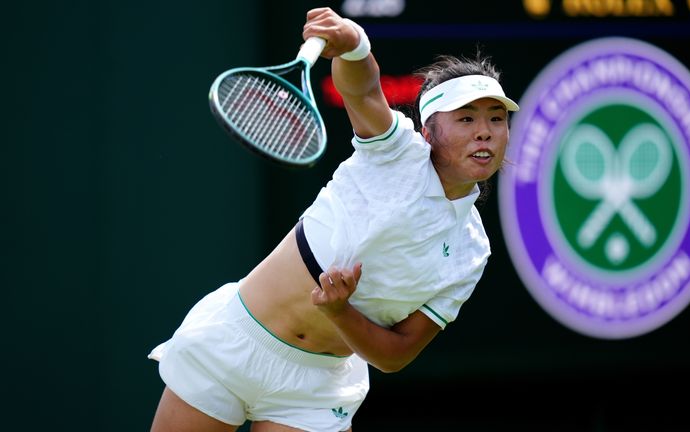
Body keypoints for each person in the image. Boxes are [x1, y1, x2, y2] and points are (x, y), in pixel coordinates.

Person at [148, 6, 519, 432]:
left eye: (497, 118)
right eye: (466, 118)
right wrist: (354, 45)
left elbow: (396, 355)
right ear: (428, 132)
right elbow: (363, 91)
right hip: (234, 342)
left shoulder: (472, 251)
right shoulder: (396, 152)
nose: (485, 132)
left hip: (317, 388)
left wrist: (341, 313)